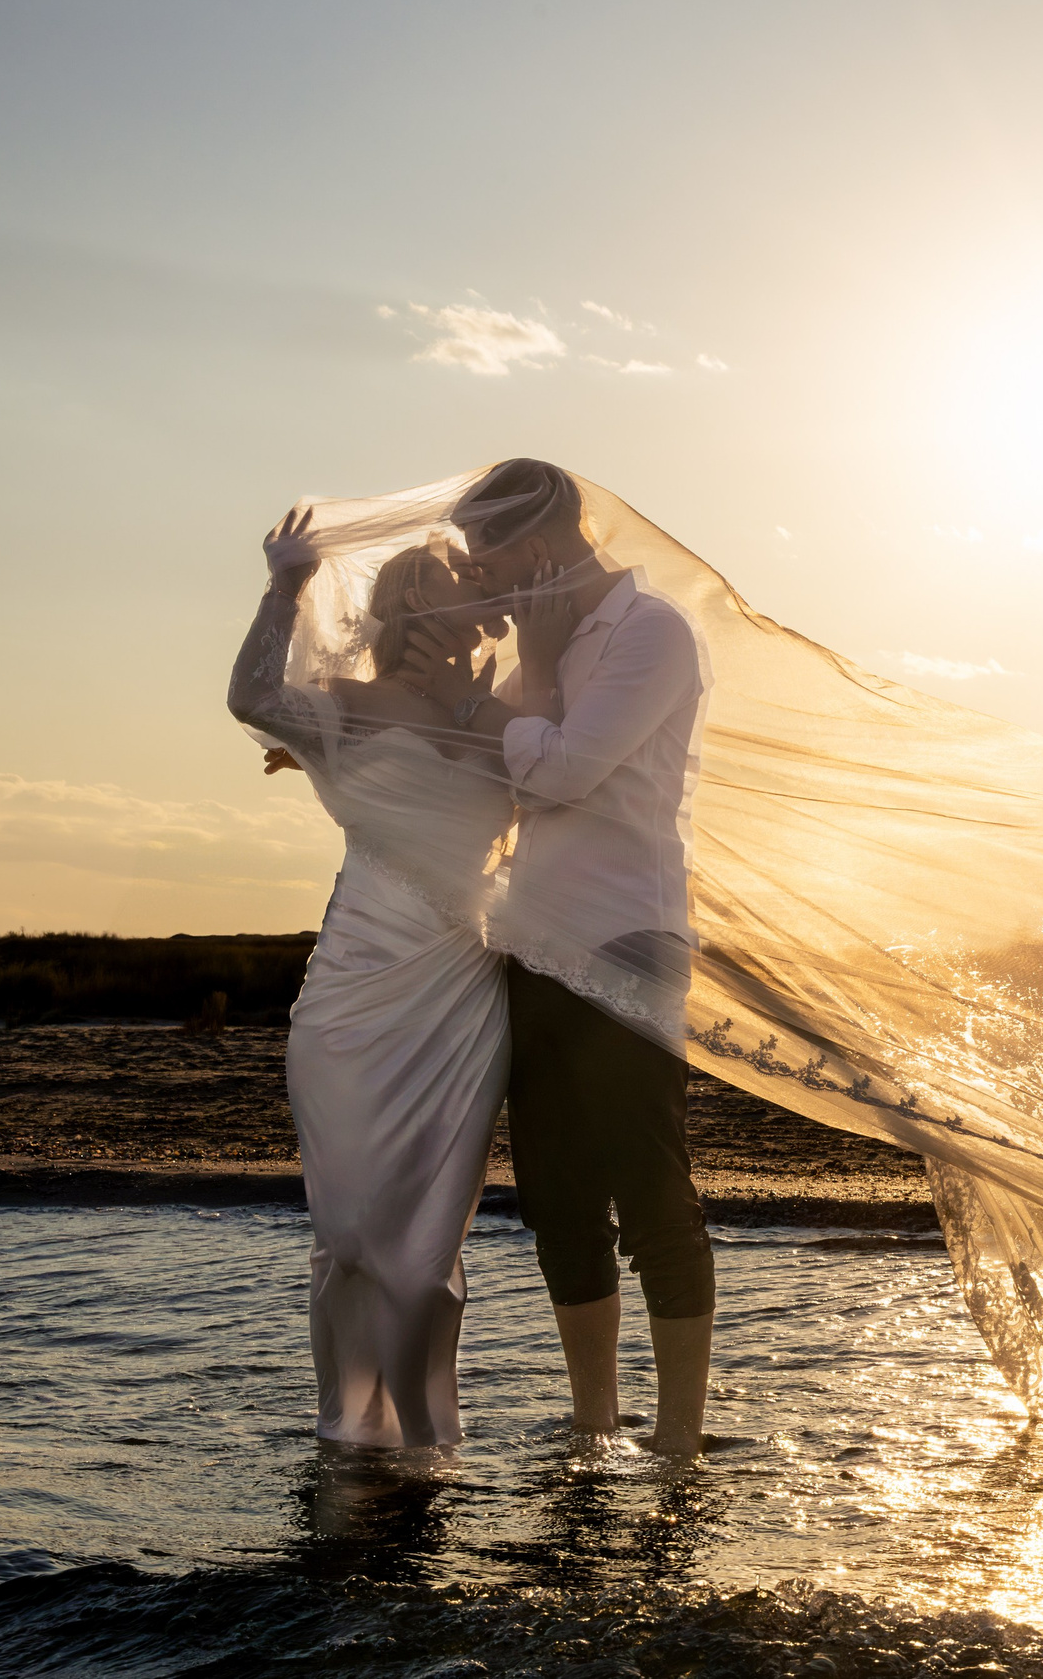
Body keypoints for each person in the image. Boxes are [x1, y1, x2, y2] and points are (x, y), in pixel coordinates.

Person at [396, 458, 717, 1457]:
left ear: (534, 546)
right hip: (531, 937)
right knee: (558, 1197)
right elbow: (511, 782)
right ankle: (593, 1431)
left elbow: (567, 770)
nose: (480, 581)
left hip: (627, 935)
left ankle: (676, 1446)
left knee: (649, 1183)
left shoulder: (651, 632)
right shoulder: (545, 650)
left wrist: (470, 709)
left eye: (486, 560)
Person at [226, 513, 528, 1449]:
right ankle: (349, 1437)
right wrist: (286, 585)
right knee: (352, 1240)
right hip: (351, 1001)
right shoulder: (345, 705)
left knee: (426, 1252)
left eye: (477, 598)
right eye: (451, 587)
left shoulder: (502, 720)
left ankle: (431, 1447)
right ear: (405, 604)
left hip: (460, 997)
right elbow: (248, 697)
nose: (473, 606)